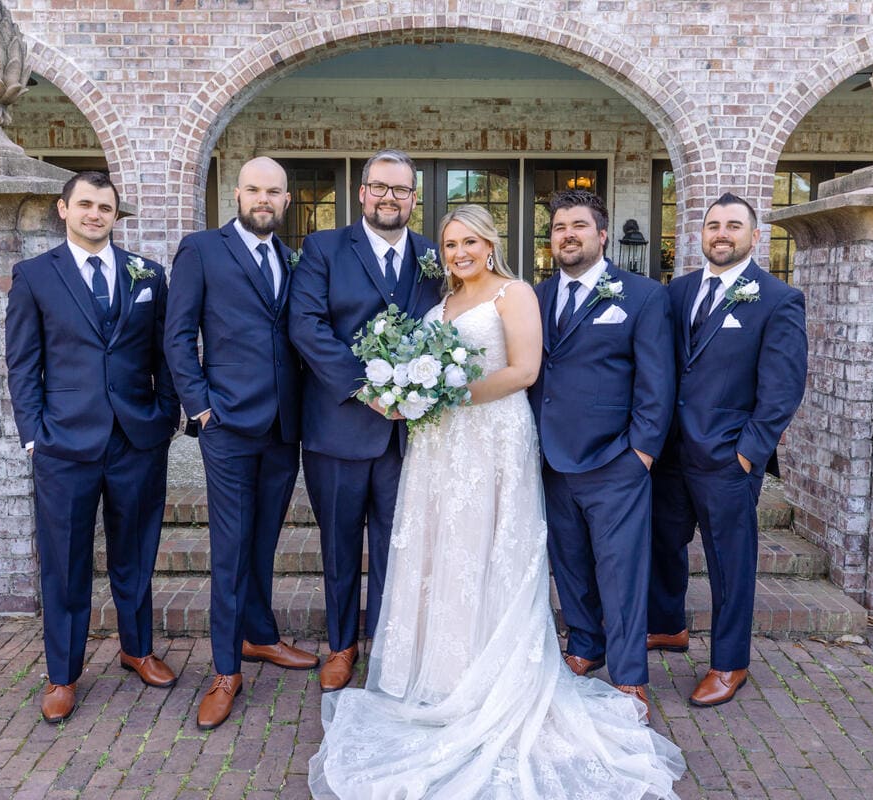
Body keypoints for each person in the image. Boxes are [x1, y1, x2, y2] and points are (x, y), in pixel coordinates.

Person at [308, 205, 684, 799]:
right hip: (438, 447)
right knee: (444, 551)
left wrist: (446, 395)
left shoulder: (515, 294)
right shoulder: (437, 303)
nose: (459, 252)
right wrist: (410, 392)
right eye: (450, 243)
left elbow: (525, 371)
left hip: (491, 437)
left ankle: (509, 671)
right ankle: (443, 671)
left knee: (489, 549)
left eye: (470, 241)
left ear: (490, 243)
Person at [5, 171, 180, 723]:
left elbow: (165, 353)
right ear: (64, 209)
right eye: (85, 204)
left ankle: (137, 649)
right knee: (65, 562)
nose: (95, 214)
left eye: (105, 207)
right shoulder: (34, 276)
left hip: (136, 440)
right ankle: (63, 675)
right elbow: (22, 363)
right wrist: (34, 436)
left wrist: (165, 417)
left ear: (115, 214)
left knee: (136, 554)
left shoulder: (147, 274)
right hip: (64, 444)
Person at [165, 157, 317, 730]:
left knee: (263, 541)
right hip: (226, 426)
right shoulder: (201, 249)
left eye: (274, 191)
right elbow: (178, 336)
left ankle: (260, 636)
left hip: (283, 428)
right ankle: (226, 670)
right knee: (229, 550)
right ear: (237, 193)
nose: (264, 198)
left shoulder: (286, 255)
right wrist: (200, 408)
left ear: (285, 198)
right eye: (254, 189)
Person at [288, 149, 444, 692]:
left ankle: (387, 644)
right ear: (362, 192)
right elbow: (306, 326)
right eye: (380, 187)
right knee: (338, 544)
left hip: (409, 433)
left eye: (400, 191)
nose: (389, 198)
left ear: (413, 199)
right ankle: (341, 645)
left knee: (396, 544)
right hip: (339, 426)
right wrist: (367, 388)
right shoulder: (324, 247)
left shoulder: (433, 255)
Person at [648, 192, 807, 707]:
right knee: (661, 542)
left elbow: (783, 389)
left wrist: (748, 454)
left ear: (753, 236)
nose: (721, 233)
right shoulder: (678, 291)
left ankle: (729, 662)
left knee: (729, 562)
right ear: (701, 234)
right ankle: (669, 625)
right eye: (713, 224)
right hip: (670, 451)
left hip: (727, 458)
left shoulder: (778, 299)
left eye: (733, 225)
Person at [529, 189, 676, 710]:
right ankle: (586, 645)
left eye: (578, 226)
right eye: (559, 228)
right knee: (568, 564)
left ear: (602, 234)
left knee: (621, 572)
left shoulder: (640, 295)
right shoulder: (537, 296)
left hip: (615, 460)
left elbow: (657, 383)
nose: (567, 235)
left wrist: (641, 452)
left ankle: (630, 669)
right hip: (551, 460)